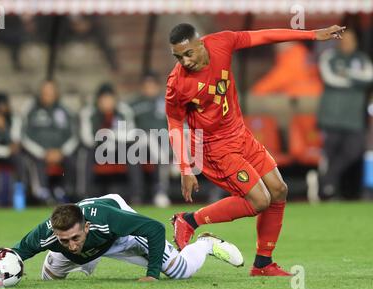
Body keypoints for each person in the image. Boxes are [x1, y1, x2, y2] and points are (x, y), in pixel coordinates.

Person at [165, 23, 346, 276]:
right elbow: (174, 123)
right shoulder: (177, 83)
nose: (184, 61)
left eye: (188, 54)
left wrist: (312, 35)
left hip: (241, 134)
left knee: (279, 190)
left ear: (200, 43)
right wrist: (185, 167)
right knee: (260, 200)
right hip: (214, 146)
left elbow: (265, 35)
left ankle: (262, 264)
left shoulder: (222, 42)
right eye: (178, 57)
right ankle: (190, 220)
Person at [0, 193, 243, 285]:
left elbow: (154, 229)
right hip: (91, 240)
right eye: (64, 240)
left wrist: (152, 275)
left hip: (117, 237)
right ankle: (86, 261)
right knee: (50, 281)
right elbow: (14, 255)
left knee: (180, 272)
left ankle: (205, 243)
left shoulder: (110, 220)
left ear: (87, 226)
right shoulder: (48, 235)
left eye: (74, 238)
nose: (71, 244)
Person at [317, 29, 373, 200]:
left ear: (355, 42)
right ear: (339, 42)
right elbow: (331, 78)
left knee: (354, 150)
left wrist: (347, 73)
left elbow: (369, 76)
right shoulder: (330, 57)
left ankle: (326, 182)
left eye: (351, 40)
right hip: (331, 117)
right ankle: (328, 192)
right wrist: (356, 79)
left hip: (353, 118)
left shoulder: (362, 59)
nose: (348, 43)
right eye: (345, 40)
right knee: (330, 153)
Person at [22, 80, 78, 204]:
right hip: (38, 153)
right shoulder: (31, 110)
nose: (48, 94)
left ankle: (66, 192)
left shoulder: (66, 111)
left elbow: (74, 135)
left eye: (51, 91)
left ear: (56, 93)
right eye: (45, 92)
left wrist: (62, 151)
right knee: (34, 161)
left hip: (61, 152)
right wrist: (42, 152)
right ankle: (41, 194)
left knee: (73, 159)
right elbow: (23, 136)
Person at [129, 72, 172, 207]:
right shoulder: (133, 104)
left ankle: (160, 191)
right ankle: (138, 193)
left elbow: (175, 124)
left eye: (152, 86)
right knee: (135, 149)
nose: (149, 88)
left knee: (163, 143)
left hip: (164, 142)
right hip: (139, 143)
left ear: (158, 87)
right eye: (147, 86)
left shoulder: (167, 102)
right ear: (142, 87)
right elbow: (128, 125)